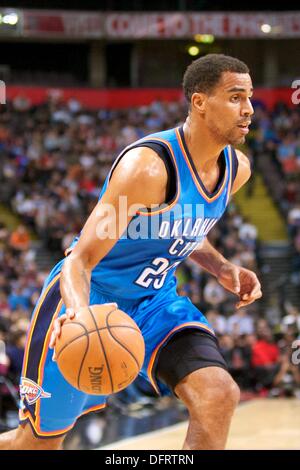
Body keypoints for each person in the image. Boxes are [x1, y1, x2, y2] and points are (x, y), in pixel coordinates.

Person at [0, 54, 261, 450]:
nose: (248, 109)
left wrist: (222, 268)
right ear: (199, 102)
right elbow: (80, 259)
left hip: (156, 302)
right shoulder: (148, 168)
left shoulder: (236, 169)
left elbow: (181, 229)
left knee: (218, 394)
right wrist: (78, 314)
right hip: (92, 299)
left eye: (250, 97)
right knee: (36, 443)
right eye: (236, 97)